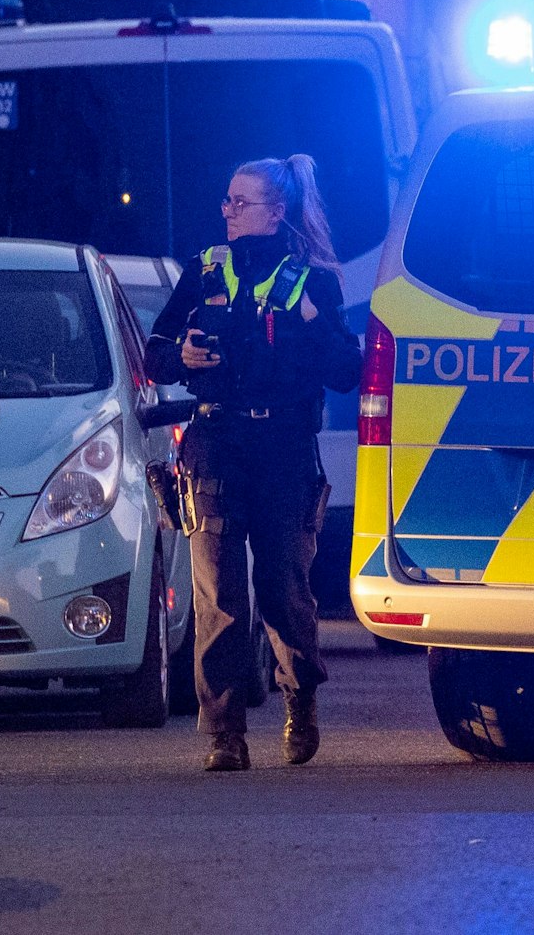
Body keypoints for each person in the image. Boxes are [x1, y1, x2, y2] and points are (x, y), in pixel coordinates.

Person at [145, 155, 361, 771]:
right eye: (227, 202)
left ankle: (301, 699)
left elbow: (347, 372)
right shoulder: (205, 269)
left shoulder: (312, 280)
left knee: (283, 586)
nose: (230, 213)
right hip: (215, 441)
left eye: (243, 203)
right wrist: (183, 356)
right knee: (218, 590)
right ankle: (223, 732)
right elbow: (156, 353)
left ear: (277, 211)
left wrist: (315, 326)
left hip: (285, 448)